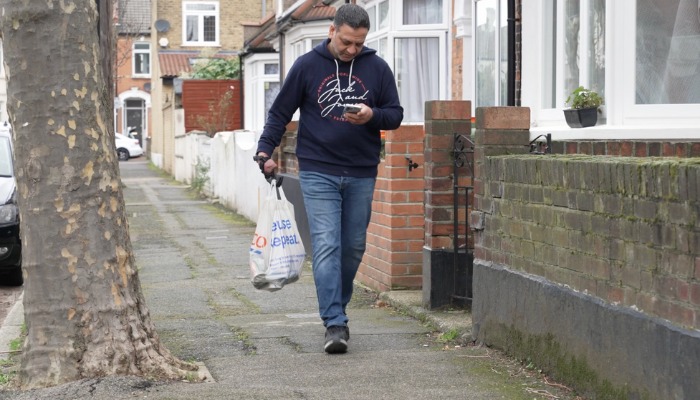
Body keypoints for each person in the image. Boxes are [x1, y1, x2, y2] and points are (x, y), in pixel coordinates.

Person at [255, 3, 403, 354]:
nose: (353, 50)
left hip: (361, 170)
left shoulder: (377, 68)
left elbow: (394, 115)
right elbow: (280, 112)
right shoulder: (307, 66)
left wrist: (372, 115)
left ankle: (336, 303)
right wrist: (265, 151)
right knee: (326, 245)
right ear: (332, 31)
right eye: (347, 42)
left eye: (359, 43)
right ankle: (335, 323)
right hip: (318, 167)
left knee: (353, 247)